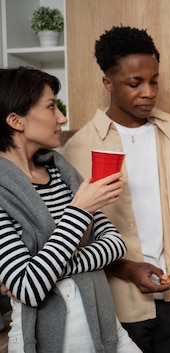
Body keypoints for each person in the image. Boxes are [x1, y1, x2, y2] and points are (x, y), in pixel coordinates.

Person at [63, 26, 170, 353]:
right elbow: (76, 239)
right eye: (134, 83)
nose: (148, 92)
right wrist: (127, 268)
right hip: (118, 301)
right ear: (108, 83)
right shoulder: (79, 148)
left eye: (154, 80)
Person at [0, 67, 140, 352]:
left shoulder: (62, 173)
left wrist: (45, 269)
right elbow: (30, 289)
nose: (62, 118)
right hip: (44, 341)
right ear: (16, 120)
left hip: (105, 327)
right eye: (51, 107)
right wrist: (79, 211)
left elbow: (115, 244)